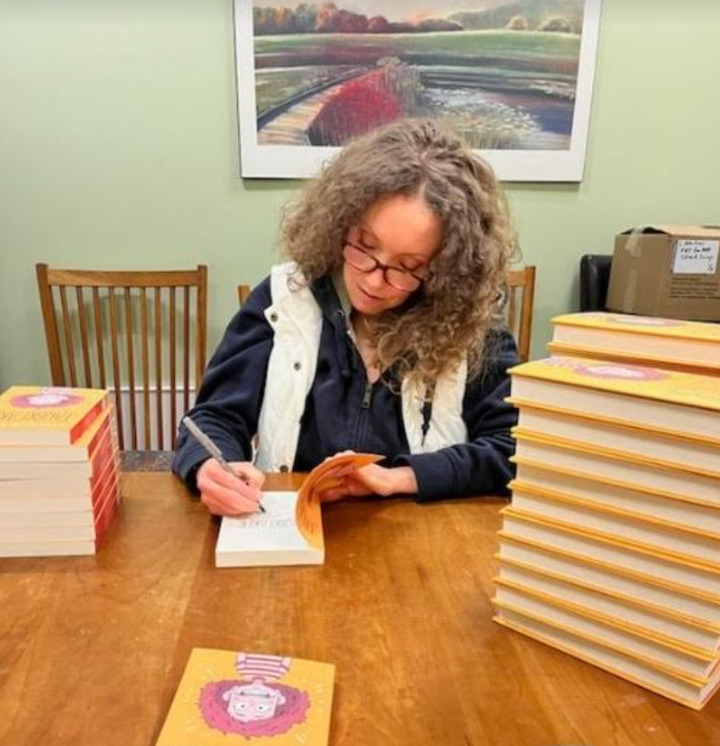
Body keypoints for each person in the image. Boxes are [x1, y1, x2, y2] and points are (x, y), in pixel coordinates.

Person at [173, 119, 520, 516]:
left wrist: (399, 478)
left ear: (444, 270)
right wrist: (211, 469)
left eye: (407, 267)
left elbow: (515, 448)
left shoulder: (470, 325)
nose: (375, 280)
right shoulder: (284, 299)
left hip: (422, 547)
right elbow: (212, 419)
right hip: (290, 532)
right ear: (339, 223)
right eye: (364, 246)